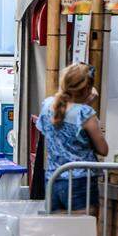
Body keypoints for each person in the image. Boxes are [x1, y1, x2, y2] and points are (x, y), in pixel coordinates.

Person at [36, 63, 109, 211]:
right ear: (87, 89)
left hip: (53, 178)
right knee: (83, 231)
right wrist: (86, 105)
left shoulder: (47, 105)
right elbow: (103, 149)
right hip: (80, 181)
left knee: (57, 232)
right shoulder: (85, 114)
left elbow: (48, 129)